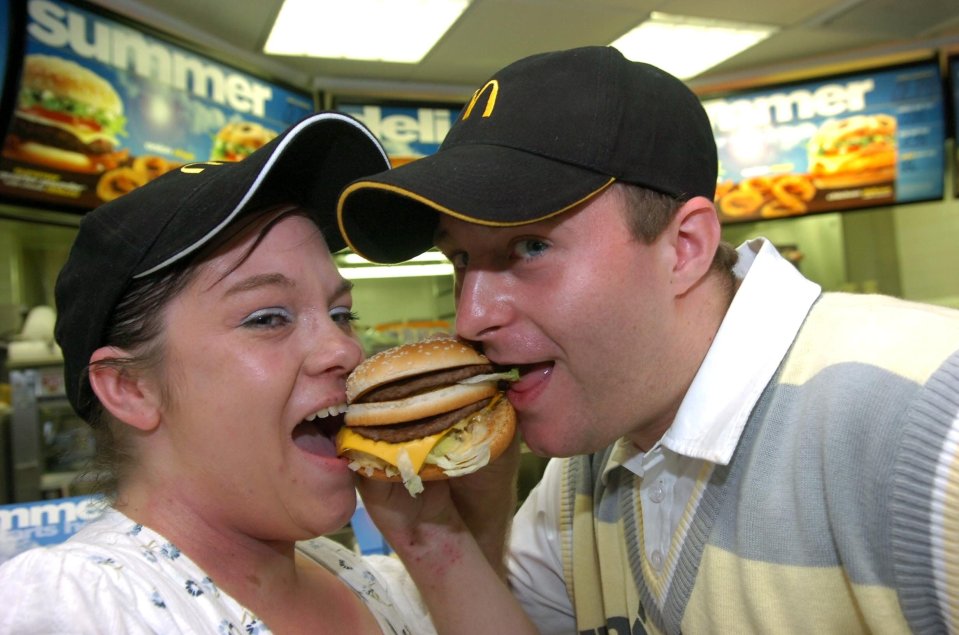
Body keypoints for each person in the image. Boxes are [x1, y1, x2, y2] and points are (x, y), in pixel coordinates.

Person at [336, 46, 959, 634]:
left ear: (684, 249)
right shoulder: (583, 468)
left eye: (530, 247)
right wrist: (434, 535)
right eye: (461, 260)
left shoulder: (926, 429)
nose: (470, 318)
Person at [0, 112, 532, 634]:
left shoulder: (364, 580)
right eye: (267, 318)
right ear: (130, 388)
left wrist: (433, 537)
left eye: (342, 314)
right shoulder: (73, 606)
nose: (345, 352)